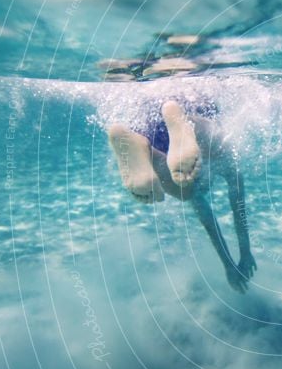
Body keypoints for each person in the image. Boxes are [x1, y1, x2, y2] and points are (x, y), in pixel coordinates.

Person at [107, 100, 256, 293]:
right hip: (187, 115)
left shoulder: (190, 169)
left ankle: (141, 146)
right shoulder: (219, 170)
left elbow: (228, 213)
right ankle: (182, 122)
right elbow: (234, 210)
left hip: (152, 126)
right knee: (207, 164)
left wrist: (232, 262)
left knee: (186, 189)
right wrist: (243, 255)